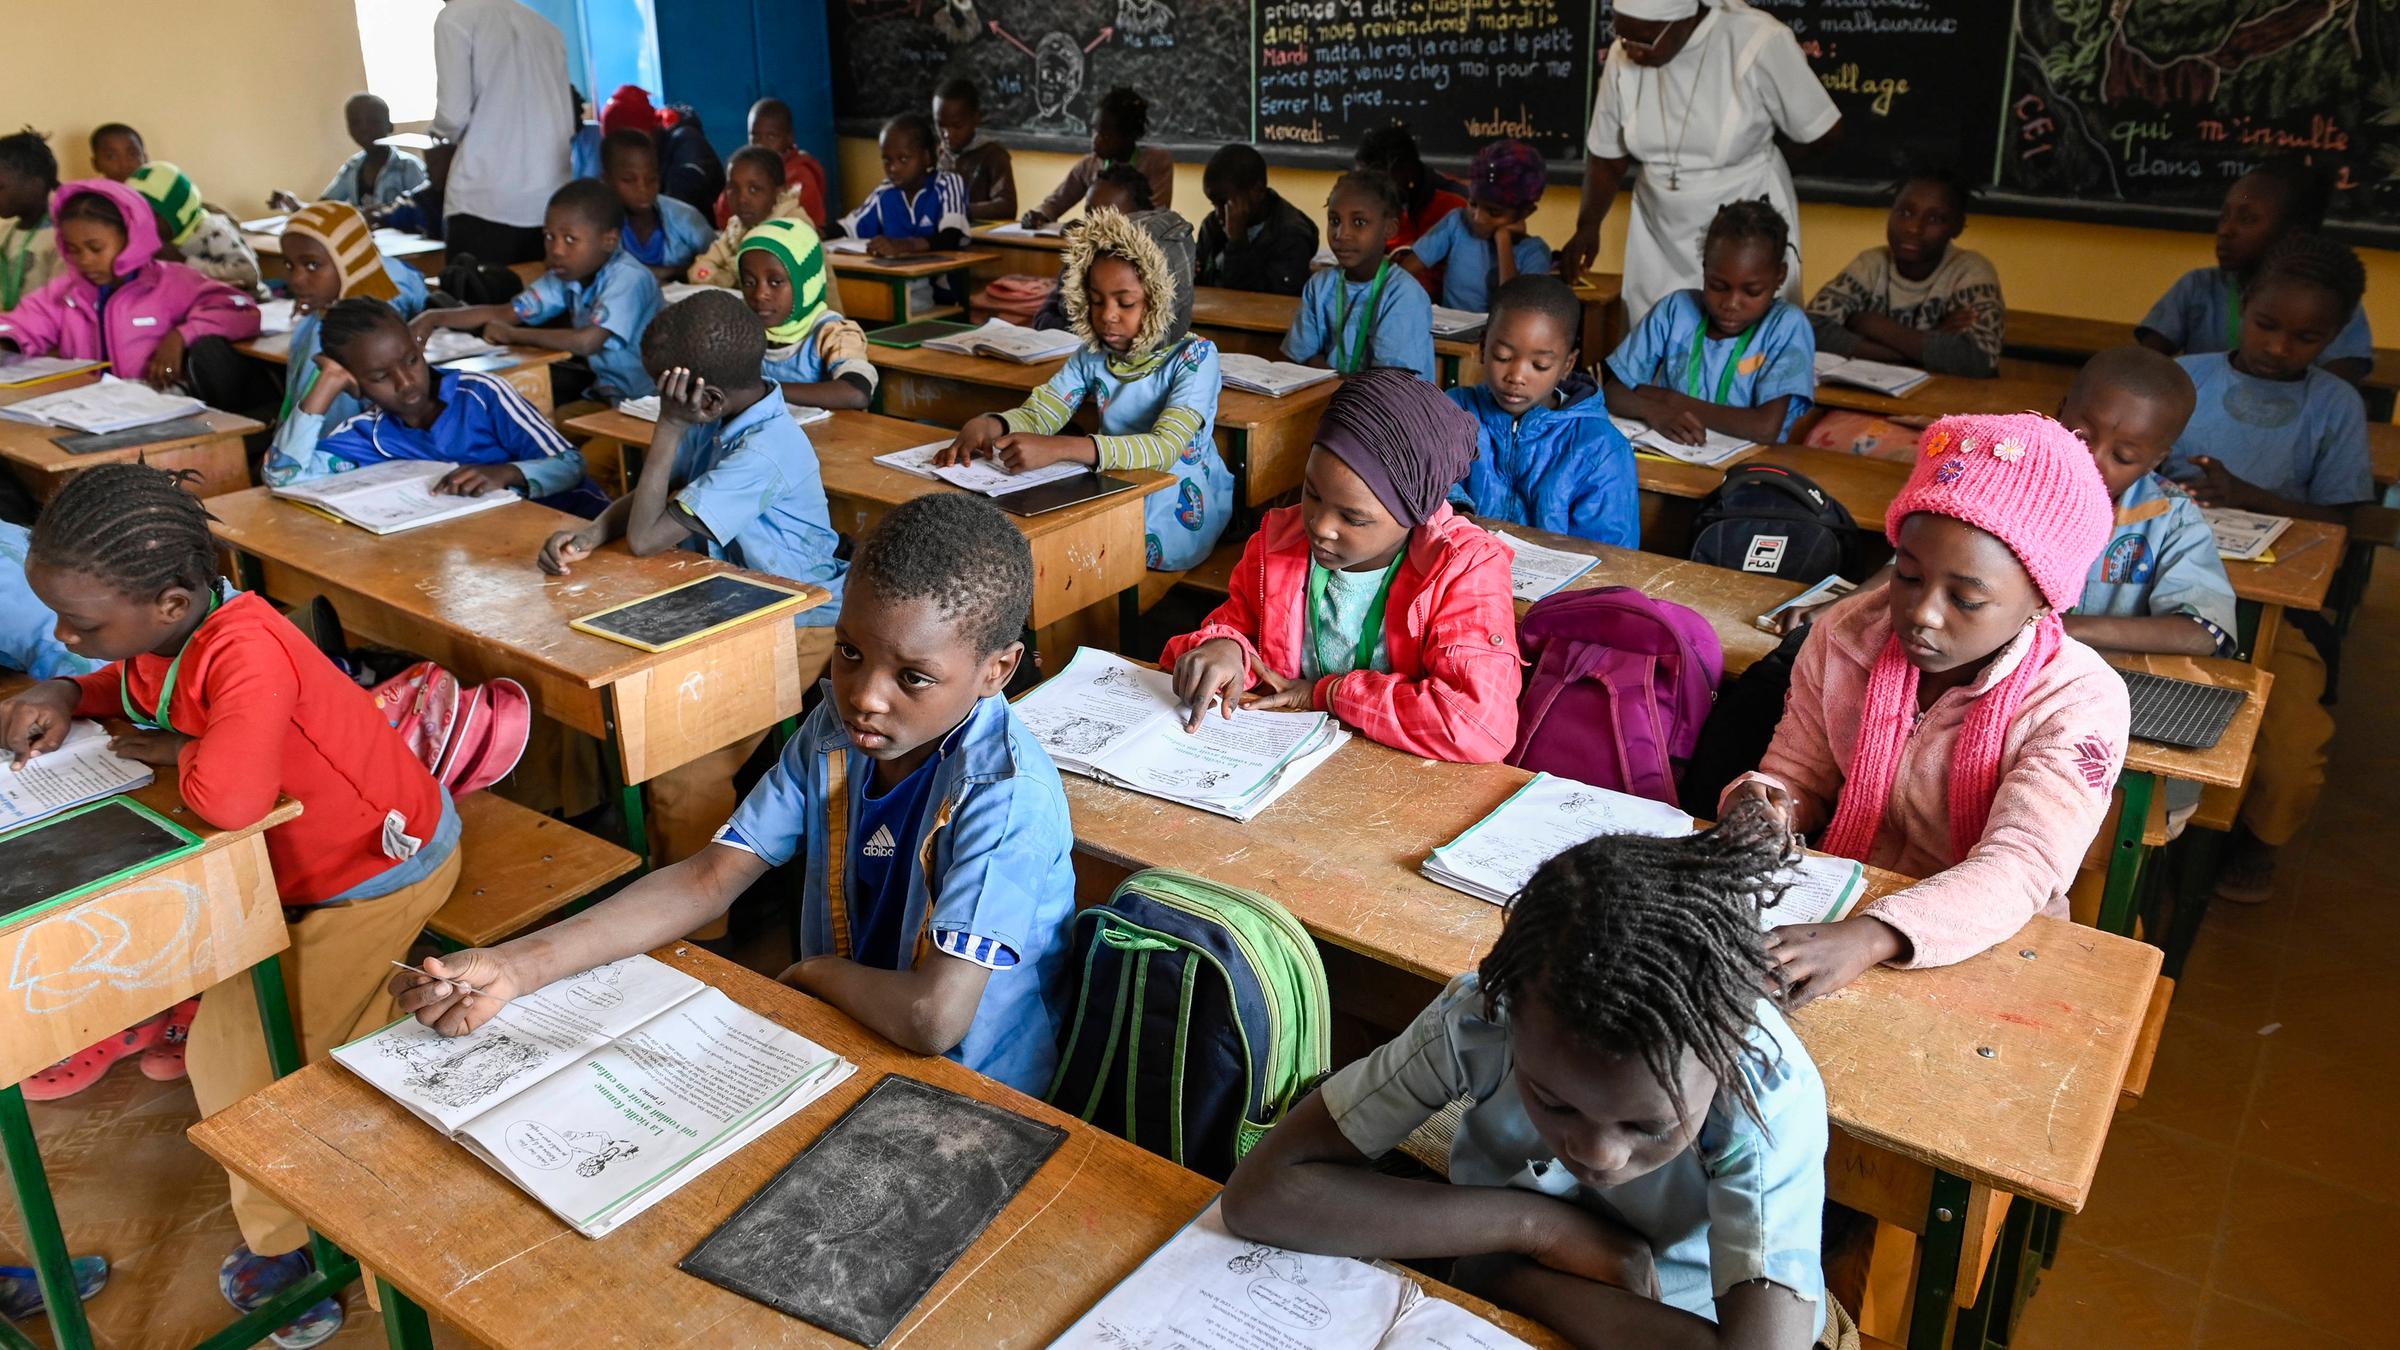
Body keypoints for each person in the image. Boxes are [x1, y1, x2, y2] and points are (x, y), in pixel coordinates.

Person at [0, 464, 464, 1349]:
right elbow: (137, 688)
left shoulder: (246, 648)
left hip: (372, 875)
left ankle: (303, 1249)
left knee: (243, 1064)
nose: (63, 635)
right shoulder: (175, 628)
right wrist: (67, 688)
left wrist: (172, 749)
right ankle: (311, 1210)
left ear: (172, 602)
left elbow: (226, 801)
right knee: (258, 1040)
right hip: (297, 874)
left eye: (80, 627)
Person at [405, 491, 1079, 1098]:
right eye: (848, 653)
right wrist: (515, 968)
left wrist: (814, 973)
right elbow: (707, 879)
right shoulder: (835, 734)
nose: (866, 697)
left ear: (997, 670)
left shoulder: (1003, 797)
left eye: (913, 677)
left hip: (969, 1093)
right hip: (843, 1039)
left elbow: (934, 1018)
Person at [1222, 806, 1833, 1349]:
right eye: (1553, 1102)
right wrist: (1536, 1227)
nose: (1597, 1153)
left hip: (1674, 1310)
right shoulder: (1484, 1018)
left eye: (1649, 1124)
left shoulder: (1761, 1088)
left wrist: (1508, 1276)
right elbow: (1259, 1198)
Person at [1725, 411, 2127, 1004]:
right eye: (1907, 577)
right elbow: (1798, 773)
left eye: (1966, 598)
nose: (1922, 613)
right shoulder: (1845, 634)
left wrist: (1870, 937)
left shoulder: (2078, 700)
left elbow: (2018, 869)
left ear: (2043, 601)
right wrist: (1763, 804)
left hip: (1983, 941)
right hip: (1837, 906)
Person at [535, 290, 848, 863]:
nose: (664, 401)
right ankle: (590, 836)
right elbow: (653, 497)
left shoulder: (763, 449)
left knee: (682, 770)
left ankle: (699, 935)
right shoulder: (720, 414)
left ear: (704, 396)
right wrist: (591, 534)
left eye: (667, 391)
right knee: (574, 674)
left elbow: (650, 536)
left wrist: (668, 425)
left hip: (795, 617)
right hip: (723, 603)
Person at [1162, 368, 1520, 763]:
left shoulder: (1464, 569)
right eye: (1312, 494)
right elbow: (1235, 627)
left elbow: (1478, 723)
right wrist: (1226, 649)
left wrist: (1329, 694)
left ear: (1413, 514)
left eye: (1353, 519)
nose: (1320, 526)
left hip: (1403, 780)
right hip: (1290, 761)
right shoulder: (1278, 543)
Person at [2167, 233, 2372, 903]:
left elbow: (2344, 518)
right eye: (2267, 325)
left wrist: (2248, 496)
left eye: (2307, 337)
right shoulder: (2185, 378)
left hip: (2275, 606)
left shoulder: (2333, 407)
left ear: (2335, 337)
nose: (2281, 347)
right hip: (2167, 587)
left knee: (2289, 754)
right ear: (2243, 307)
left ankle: (2260, 839)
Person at [939, 207, 1232, 571]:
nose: (1107, 315)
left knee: (1079, 552)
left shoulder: (1196, 357)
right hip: (1112, 482)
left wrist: (1061, 448)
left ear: (1163, 301)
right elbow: (1044, 409)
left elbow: (1165, 448)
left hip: (1177, 505)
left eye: (1126, 303)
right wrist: (994, 424)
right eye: (1096, 300)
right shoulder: (1094, 352)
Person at [1561, 0, 1841, 321]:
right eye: (1624, 38)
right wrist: (1588, 225)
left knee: (1745, 345)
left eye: (1645, 40)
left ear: (1684, 18)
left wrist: (1764, 166)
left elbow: (1824, 133)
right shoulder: (1623, 54)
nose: (1633, 53)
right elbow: (1607, 156)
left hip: (1744, 234)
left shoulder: (1758, 40)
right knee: (1656, 341)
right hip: (1658, 233)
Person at [265, 297, 603, 517]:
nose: (406, 381)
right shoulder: (368, 435)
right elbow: (284, 477)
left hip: (577, 525)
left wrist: (507, 473)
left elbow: (571, 464)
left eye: (411, 360)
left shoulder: (482, 396)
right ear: (354, 383)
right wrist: (328, 381)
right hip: (491, 552)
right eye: (381, 376)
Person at [0, 180, 262, 403]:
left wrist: (181, 335)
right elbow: (21, 322)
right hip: (88, 406)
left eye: (95, 248)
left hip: (158, 407)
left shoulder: (172, 282)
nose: (84, 260)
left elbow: (241, 308)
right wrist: (6, 340)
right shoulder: (67, 293)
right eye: (73, 249)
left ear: (131, 238)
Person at [414, 178, 663, 401]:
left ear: (608, 240)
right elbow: (506, 312)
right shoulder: (567, 275)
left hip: (648, 404)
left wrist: (512, 335)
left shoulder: (628, 278)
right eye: (549, 236)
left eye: (569, 239)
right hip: (607, 395)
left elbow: (588, 342)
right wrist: (433, 317)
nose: (556, 250)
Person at [2136, 157, 2372, 386]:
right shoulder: (2198, 286)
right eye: (2224, 216)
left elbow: (2338, 387)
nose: (2226, 230)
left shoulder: (2328, 297)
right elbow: (2142, 366)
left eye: (2247, 219)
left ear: (2294, 235)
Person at [1449, 274, 1639, 548]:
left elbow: (1612, 557)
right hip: (1462, 578)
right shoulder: (1452, 413)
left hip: (1561, 589)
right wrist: (1456, 513)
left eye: (1539, 365)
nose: (1516, 376)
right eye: (1502, 357)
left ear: (1567, 364)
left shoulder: (1601, 448)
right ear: (1482, 347)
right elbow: (1421, 479)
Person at [1604, 198, 1814, 445]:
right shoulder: (1675, 311)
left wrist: (1669, 400)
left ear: (1780, 276)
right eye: (1718, 286)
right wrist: (1655, 410)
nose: (1731, 303)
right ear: (1705, 269)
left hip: (1750, 468)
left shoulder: (1786, 326)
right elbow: (1613, 391)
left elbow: (1764, 428)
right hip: (1675, 454)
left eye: (1752, 291)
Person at [1805, 169, 2003, 378]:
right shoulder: (1871, 264)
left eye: (1934, 219)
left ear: (1958, 227)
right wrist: (1930, 339)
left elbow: (1978, 358)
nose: (1914, 228)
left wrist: (1873, 325)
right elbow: (1812, 329)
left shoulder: (1971, 272)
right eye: (1905, 213)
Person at [271, 201, 430, 447]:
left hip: (345, 455)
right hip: (305, 452)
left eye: (312, 265)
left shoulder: (362, 334)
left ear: (349, 262)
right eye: (290, 266)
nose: (296, 280)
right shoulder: (315, 321)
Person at [431, 0, 574, 264]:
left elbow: (452, 116)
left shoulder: (454, 18)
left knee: (474, 299)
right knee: (538, 301)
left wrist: (438, 135)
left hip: (484, 200)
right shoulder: (546, 28)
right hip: (549, 201)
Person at [1285, 171, 1436, 382]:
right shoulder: (1320, 286)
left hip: (1389, 413)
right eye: (1334, 220)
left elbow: (1390, 385)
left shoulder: (1403, 295)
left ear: (1389, 229)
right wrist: (1338, 376)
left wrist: (1322, 370)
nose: (1341, 234)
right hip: (1330, 405)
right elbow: (1298, 361)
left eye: (1359, 222)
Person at [1398, 139, 1552, 315]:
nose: (1478, 218)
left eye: (1494, 212)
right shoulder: (1456, 223)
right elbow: (1405, 271)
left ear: (1525, 212)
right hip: (1450, 338)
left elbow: (1513, 309)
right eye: (1472, 204)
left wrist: (1503, 240)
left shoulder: (1534, 253)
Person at [738, 217, 876, 412]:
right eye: (749, 282)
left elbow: (856, 394)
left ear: (806, 283)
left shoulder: (834, 333)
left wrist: (763, 391)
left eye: (776, 282)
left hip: (833, 438)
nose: (760, 294)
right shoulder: (742, 331)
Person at [1023, 86, 1174, 225]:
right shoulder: (1089, 165)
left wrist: (1090, 229)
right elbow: (1055, 203)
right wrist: (1040, 215)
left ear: (1128, 135)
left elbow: (1154, 222)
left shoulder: (1156, 162)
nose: (1096, 139)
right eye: (1095, 130)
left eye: (1105, 135)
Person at [829, 112, 969, 257]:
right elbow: (848, 227)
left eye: (903, 159)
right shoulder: (884, 192)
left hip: (939, 278)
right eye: (887, 160)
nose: (893, 168)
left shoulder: (947, 183)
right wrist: (815, 232)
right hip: (899, 276)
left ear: (926, 157)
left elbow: (952, 236)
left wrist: (904, 245)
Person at [269, 94, 429, 220]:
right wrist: (293, 204)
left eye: (372, 121)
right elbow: (325, 208)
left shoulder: (408, 166)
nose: (364, 129)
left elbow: (426, 211)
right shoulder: (353, 167)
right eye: (355, 122)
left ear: (390, 125)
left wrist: (386, 215)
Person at [1195, 143, 1317, 297]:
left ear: (1257, 191)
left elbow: (1261, 300)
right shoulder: (1212, 225)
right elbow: (1199, 285)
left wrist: (1238, 242)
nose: (1218, 214)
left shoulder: (1292, 234)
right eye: (1214, 204)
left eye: (1224, 203)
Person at [129, 162, 264, 297]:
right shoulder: (155, 239)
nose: (143, 222)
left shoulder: (213, 231)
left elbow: (249, 274)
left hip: (242, 305)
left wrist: (184, 263)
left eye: (153, 215)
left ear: (178, 213)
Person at [601, 129, 716, 282]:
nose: (643, 189)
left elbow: (720, 264)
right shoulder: (596, 227)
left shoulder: (686, 218)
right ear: (607, 180)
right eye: (629, 180)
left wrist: (666, 272)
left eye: (652, 179)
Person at [688, 146, 809, 288]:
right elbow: (698, 269)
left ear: (778, 191)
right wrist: (730, 279)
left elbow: (767, 286)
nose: (742, 199)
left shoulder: (794, 228)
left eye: (754, 189)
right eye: (733, 188)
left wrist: (727, 277)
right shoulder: (737, 226)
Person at [1354, 123, 1466, 250]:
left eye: (1376, 181)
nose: (1368, 190)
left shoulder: (1458, 204)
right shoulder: (1375, 201)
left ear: (1405, 170)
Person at [725, 97, 829, 229]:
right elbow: (725, 211)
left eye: (771, 137)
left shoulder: (801, 177)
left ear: (789, 138)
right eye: (755, 136)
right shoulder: (745, 171)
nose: (761, 144)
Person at [933, 78, 1017, 223]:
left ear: (976, 118)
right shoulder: (932, 153)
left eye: (957, 126)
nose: (947, 134)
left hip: (980, 239)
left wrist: (959, 209)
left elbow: (1007, 206)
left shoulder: (993, 155)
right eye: (940, 125)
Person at [0, 127, 62, 311]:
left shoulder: (60, 237)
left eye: (0, 187)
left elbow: (58, 304)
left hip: (40, 336)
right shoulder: (5, 234)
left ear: (36, 184)